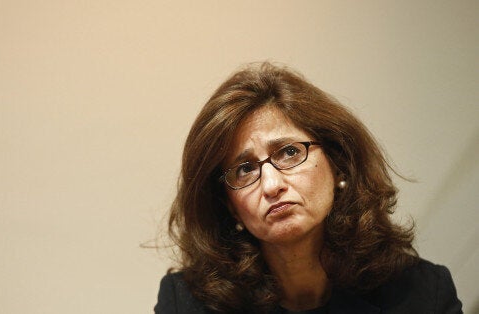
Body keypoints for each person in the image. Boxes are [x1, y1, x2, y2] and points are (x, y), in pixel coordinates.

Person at [154, 62, 462, 313]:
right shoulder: (187, 304)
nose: (272, 185)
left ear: (338, 162)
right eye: (245, 169)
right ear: (227, 203)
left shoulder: (423, 295)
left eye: (289, 152)